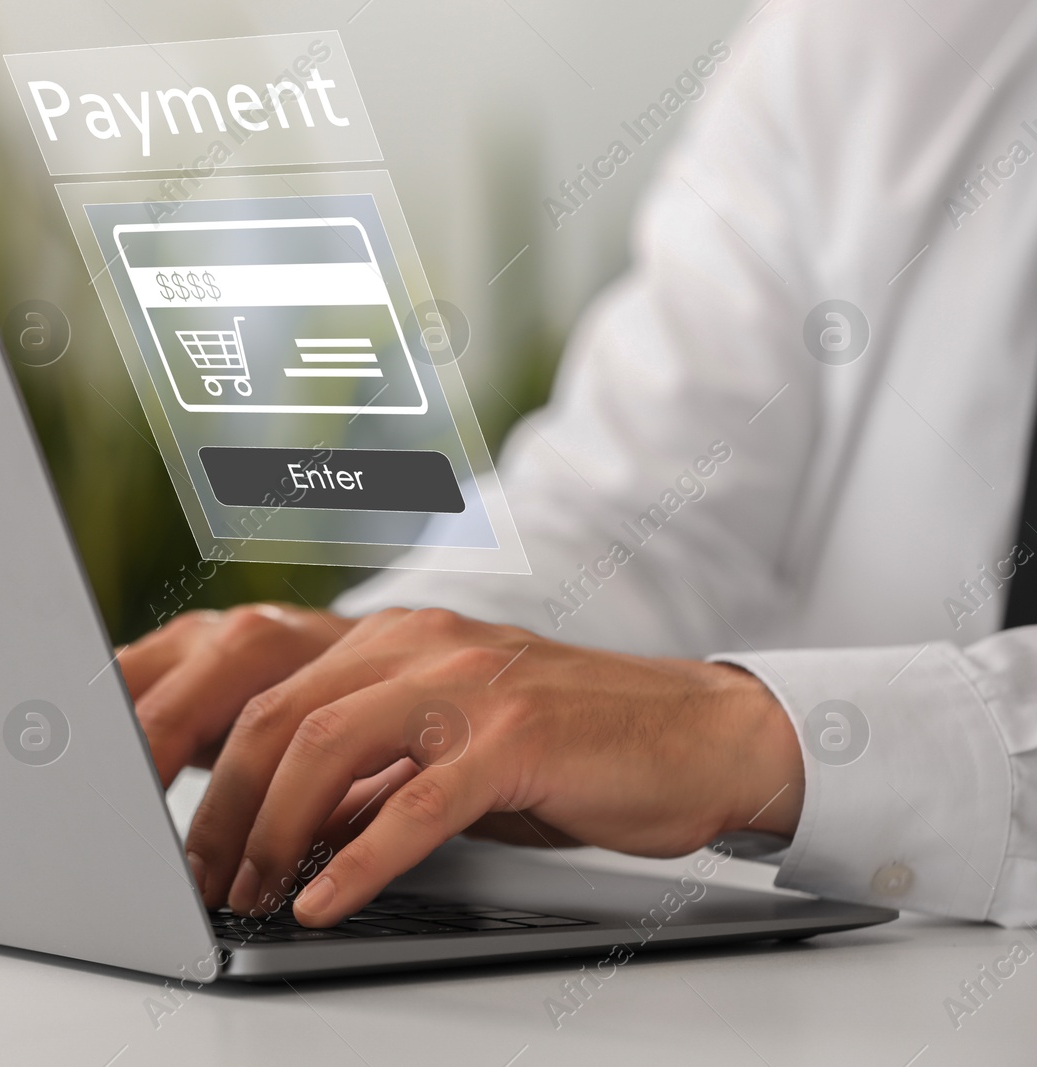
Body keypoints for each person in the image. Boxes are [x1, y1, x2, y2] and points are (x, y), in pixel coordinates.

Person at [119, 0, 1037, 930]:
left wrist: (751, 740)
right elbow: (637, 510)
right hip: (852, 997)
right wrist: (381, 681)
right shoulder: (875, 33)